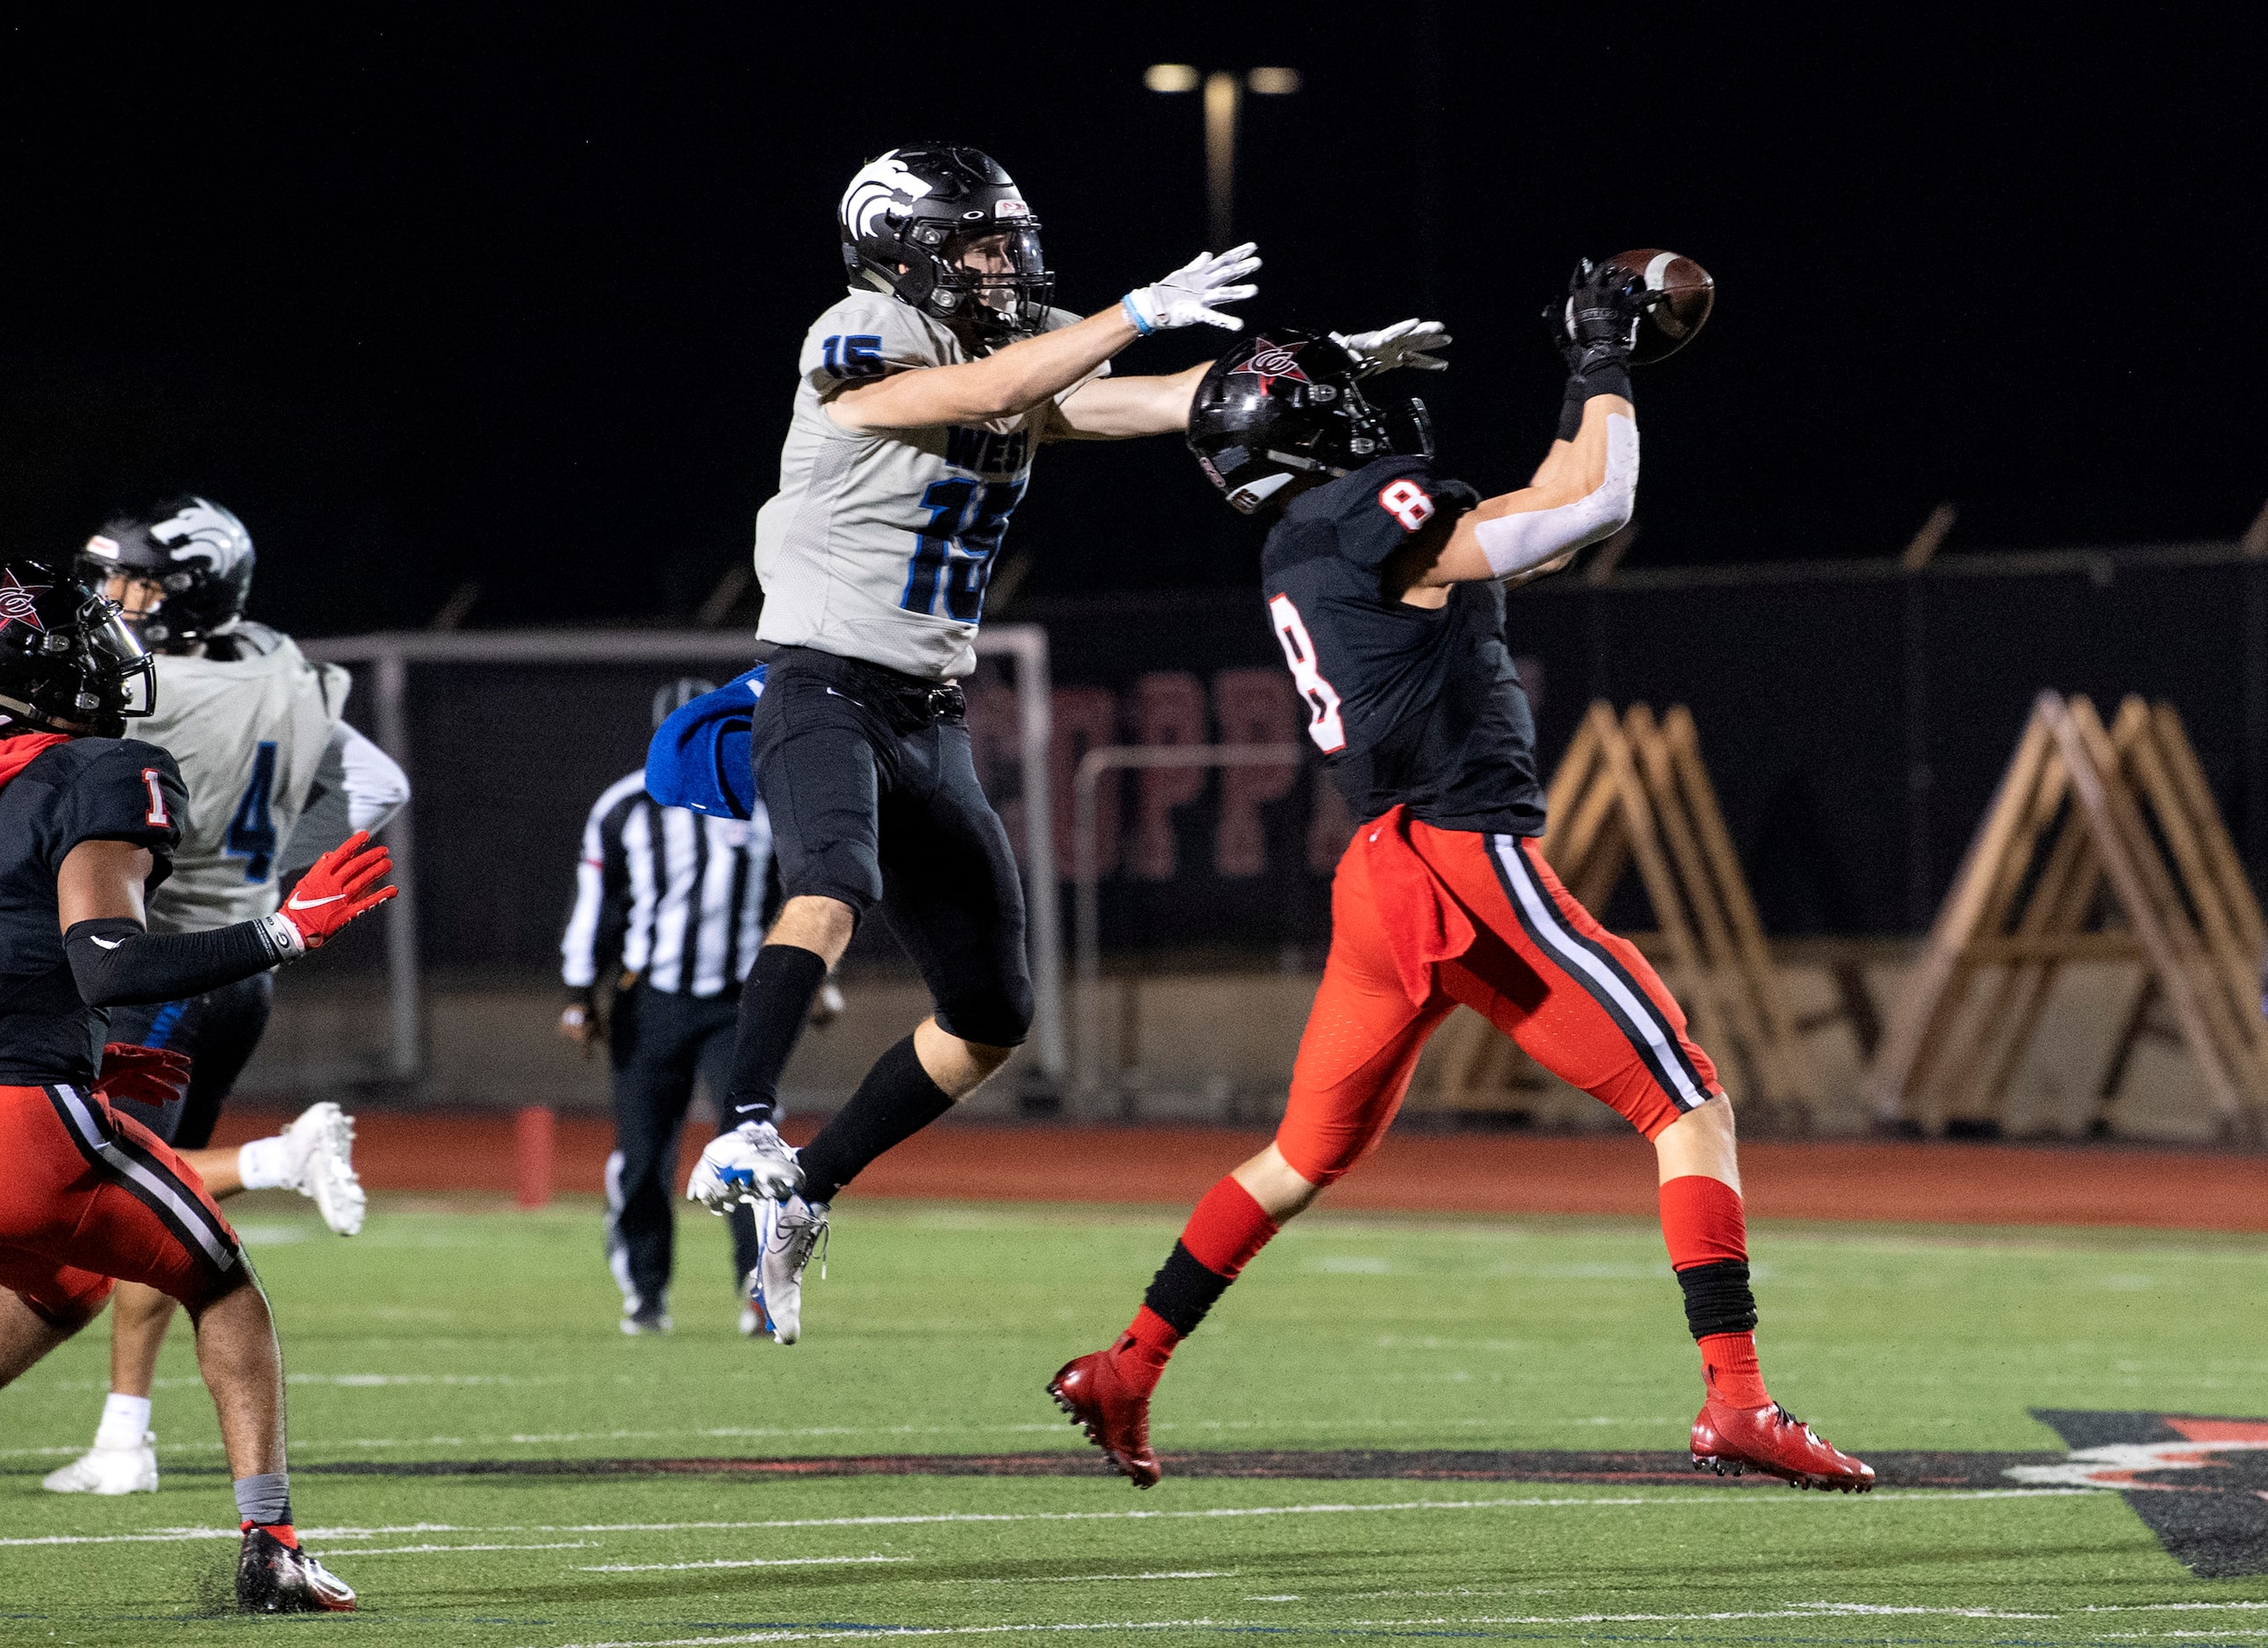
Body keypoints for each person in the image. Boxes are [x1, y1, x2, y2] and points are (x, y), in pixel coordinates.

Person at [1046, 267, 1875, 1494]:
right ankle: (1735, 1401)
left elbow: (1544, 502)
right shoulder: (1370, 520)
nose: (1369, 413)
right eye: (1341, 404)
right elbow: (1593, 501)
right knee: (1688, 1102)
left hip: (1380, 875)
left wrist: (1581, 382)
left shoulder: (1306, 544)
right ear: (1317, 440)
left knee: (1297, 1156)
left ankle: (1127, 1363)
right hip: (1460, 856)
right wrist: (1603, 359)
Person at [686, 140, 1444, 1344]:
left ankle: (806, 1193)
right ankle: (749, 1120)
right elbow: (993, 392)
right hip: (821, 680)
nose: (1003, 263)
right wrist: (1131, 311)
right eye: (979, 244)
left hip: (930, 714)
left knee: (991, 1014)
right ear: (903, 251)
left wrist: (1318, 361)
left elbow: (1145, 400)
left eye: (1004, 242)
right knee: (832, 883)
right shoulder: (858, 333)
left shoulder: (1009, 361)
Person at [0, 562, 390, 1609]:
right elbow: (108, 961)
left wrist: (91, 1058)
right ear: (38, 676)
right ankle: (273, 1545)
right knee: (222, 1282)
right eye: (84, 646)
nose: (108, 662)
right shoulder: (103, 770)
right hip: (12, 1128)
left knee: (60, 1287)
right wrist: (283, 931)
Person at [38, 496, 411, 1497]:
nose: (114, 598)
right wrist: (275, 882)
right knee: (161, 1200)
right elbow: (378, 786)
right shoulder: (285, 666)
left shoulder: (151, 691)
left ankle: (280, 1156)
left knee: (115, 1177)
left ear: (192, 590)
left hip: (162, 966)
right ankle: (123, 1435)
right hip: (246, 965)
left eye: (139, 582)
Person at [560, 677, 829, 1336]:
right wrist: (579, 991)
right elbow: (600, 906)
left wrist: (815, 978)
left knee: (753, 1148)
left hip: (741, 1001)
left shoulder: (762, 803)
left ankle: (758, 1288)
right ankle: (644, 1293)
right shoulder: (624, 806)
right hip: (647, 1001)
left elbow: (800, 902)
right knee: (642, 1155)